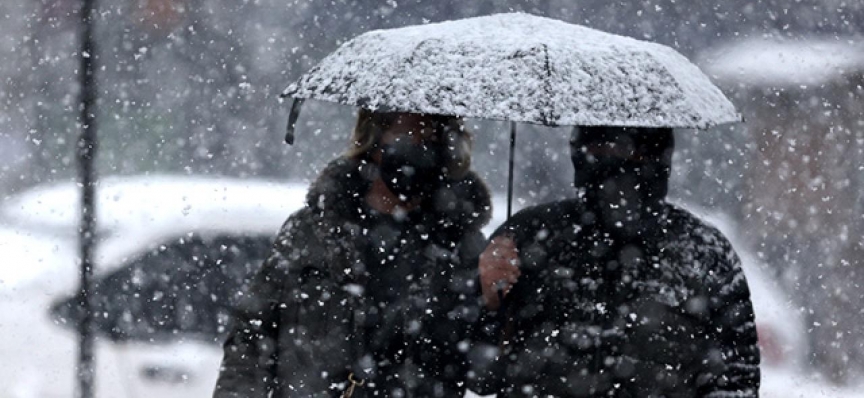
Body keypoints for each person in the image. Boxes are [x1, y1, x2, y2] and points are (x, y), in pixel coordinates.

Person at [213, 109, 491, 397]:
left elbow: (486, 375)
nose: (420, 149)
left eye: (432, 138)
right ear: (373, 141)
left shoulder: (461, 249)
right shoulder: (312, 232)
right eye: (408, 134)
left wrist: (497, 305)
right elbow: (252, 337)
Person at [469, 126, 760, 397]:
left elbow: (737, 378)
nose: (618, 165)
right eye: (602, 149)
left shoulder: (703, 251)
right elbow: (476, 373)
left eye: (634, 151)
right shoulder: (529, 236)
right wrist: (487, 300)